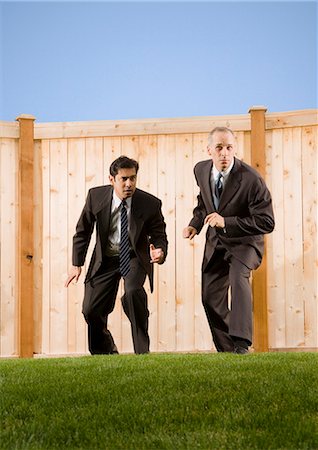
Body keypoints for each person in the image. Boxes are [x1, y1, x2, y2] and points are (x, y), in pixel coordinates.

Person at [183, 127, 274, 354]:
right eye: (219, 148)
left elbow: (266, 222)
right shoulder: (201, 170)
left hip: (246, 242)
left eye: (229, 148)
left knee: (238, 279)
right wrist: (195, 223)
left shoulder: (251, 179)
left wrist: (227, 222)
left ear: (235, 149)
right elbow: (204, 201)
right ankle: (228, 350)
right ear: (209, 150)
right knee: (209, 296)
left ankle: (242, 344)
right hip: (216, 243)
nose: (225, 153)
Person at [65, 156, 168, 355]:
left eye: (133, 178)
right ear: (112, 179)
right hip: (106, 258)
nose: (129, 184)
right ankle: (105, 352)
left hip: (133, 257)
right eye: (123, 179)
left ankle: (142, 353)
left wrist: (160, 251)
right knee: (90, 310)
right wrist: (76, 263)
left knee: (132, 293)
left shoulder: (150, 203)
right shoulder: (96, 197)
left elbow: (159, 234)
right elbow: (83, 231)